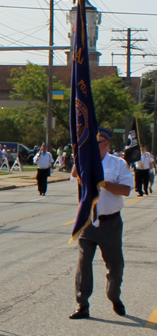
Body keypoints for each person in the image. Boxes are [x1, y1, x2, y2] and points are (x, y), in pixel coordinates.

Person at [69, 127, 133, 319]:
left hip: (110, 223)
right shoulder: (85, 162)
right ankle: (83, 304)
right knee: (84, 264)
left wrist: (103, 182)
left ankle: (114, 296)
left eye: (96, 143)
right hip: (89, 221)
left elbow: (125, 190)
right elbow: (74, 176)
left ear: (106, 143)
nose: (93, 147)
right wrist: (79, 156)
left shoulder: (118, 164)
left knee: (115, 265)